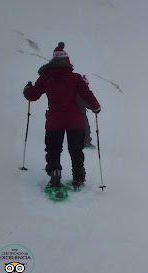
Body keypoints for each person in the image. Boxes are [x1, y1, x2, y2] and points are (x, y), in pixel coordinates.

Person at [23, 57, 101, 189]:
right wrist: (96, 107)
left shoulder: (45, 77)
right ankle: (79, 178)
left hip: (55, 121)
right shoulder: (75, 78)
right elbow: (87, 94)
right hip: (75, 121)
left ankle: (54, 173)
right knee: (76, 150)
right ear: (67, 66)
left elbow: (32, 95)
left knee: (53, 149)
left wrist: (27, 88)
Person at [77, 75, 95, 148]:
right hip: (80, 113)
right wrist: (94, 107)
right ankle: (86, 143)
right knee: (85, 127)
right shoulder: (81, 93)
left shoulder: (75, 92)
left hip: (77, 113)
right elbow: (87, 102)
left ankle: (83, 141)